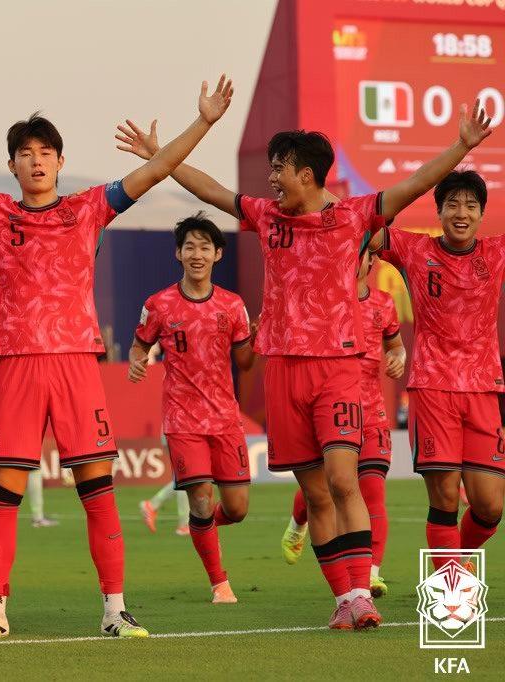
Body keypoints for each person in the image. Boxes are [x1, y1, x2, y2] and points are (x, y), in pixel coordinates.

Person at [0, 73, 234, 640]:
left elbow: (153, 172)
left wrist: (203, 122)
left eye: (45, 153)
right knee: (3, 493)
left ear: (59, 159)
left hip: (75, 362)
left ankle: (114, 609)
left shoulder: (88, 208)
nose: (36, 162)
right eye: (25, 154)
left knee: (96, 487)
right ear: (12, 166)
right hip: (16, 365)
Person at [115, 97, 492, 630]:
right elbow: (210, 190)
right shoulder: (267, 217)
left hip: (337, 367)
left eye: (278, 168)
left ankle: (362, 592)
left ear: (307, 174)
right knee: (316, 493)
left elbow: (415, 183)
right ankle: (342, 599)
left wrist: (461, 146)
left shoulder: (355, 216)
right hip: (283, 371)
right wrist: (164, 158)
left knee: (345, 480)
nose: (270, 178)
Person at [370, 170, 505, 572]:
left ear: (481, 213)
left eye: (470, 205)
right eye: (452, 204)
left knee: (490, 506)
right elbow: (369, 229)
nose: (461, 213)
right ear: (439, 210)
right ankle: (452, 594)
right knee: (444, 499)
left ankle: (456, 565)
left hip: (483, 388)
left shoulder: (495, 253)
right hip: (433, 386)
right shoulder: (415, 249)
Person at [128, 213, 255, 604]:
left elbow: (245, 363)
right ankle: (220, 583)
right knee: (200, 496)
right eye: (189, 246)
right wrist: (137, 360)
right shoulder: (159, 304)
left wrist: (256, 335)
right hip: (182, 419)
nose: (196, 254)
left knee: (236, 509)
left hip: (225, 419)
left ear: (217, 254)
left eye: (205, 247)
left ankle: (202, 527)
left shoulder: (233, 306)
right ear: (178, 254)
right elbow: (139, 344)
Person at [281, 249, 405, 600]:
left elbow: (395, 346)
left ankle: (371, 574)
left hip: (372, 412)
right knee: (326, 489)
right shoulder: (322, 300)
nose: (352, 262)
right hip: (330, 408)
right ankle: (297, 522)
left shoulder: (383, 303)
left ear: (370, 262)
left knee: (371, 491)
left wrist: (398, 359)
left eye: (361, 255)